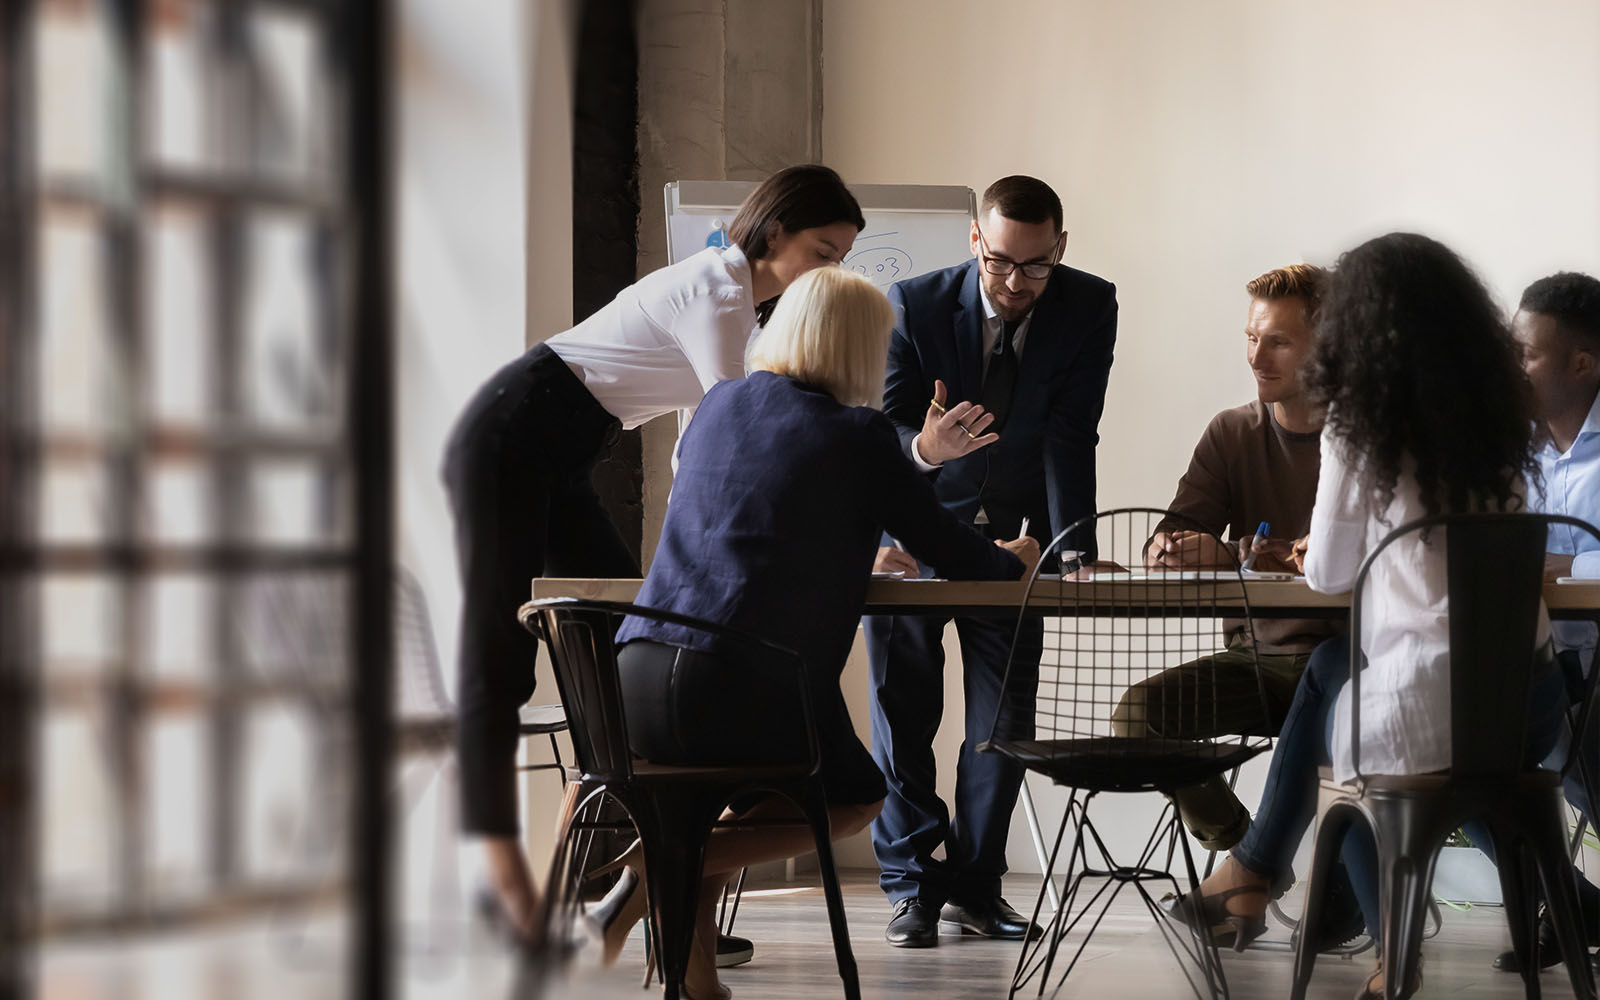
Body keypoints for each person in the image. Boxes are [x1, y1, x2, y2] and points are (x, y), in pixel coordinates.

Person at [585, 267, 1039, 998]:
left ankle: (695, 982)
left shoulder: (718, 404)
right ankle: (645, 875)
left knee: (714, 802)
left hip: (635, 670)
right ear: (861, 349)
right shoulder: (858, 433)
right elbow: (948, 549)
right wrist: (1012, 559)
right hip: (741, 675)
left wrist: (849, 546)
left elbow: (753, 518)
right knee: (855, 799)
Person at [439, 165, 866, 944]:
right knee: (499, 659)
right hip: (509, 435)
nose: (831, 272)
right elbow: (720, 437)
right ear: (774, 234)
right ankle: (504, 888)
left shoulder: (751, 303)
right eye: (823, 252)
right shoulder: (720, 291)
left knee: (615, 649)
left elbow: (707, 445)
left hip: (562, 449)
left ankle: (641, 889)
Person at [1171, 232, 1562, 999]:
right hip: (1531, 695)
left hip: (1432, 695)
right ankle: (1254, 874)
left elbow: (1329, 574)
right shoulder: (1496, 418)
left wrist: (1326, 542)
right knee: (1331, 674)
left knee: (1347, 762)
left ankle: (1382, 948)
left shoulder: (1360, 424)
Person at [864, 175, 1117, 948]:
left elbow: (1073, 433)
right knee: (904, 717)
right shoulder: (913, 303)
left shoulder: (1089, 304)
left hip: (1015, 547)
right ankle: (912, 887)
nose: (1016, 283)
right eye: (1001, 263)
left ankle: (976, 886)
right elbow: (885, 427)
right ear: (976, 241)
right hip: (913, 536)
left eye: (1035, 267)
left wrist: (1069, 549)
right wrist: (923, 451)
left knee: (1001, 724)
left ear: (1060, 251)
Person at [1115, 264, 1339, 852]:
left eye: (1279, 342)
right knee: (1138, 716)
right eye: (1251, 337)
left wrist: (1243, 554)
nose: (1256, 357)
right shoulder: (1232, 432)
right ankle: (1247, 855)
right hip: (1256, 661)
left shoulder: (1367, 437)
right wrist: (1174, 550)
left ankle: (1289, 881)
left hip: (1349, 662)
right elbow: (1169, 540)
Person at [1485, 271, 1600, 973]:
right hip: (1539, 666)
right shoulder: (1513, 451)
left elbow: (1549, 564)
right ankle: (1569, 898)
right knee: (1458, 744)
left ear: (1581, 364)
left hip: (1589, 671)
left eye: (1525, 353)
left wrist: (1561, 565)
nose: (1510, 368)